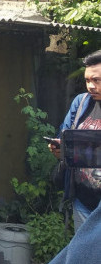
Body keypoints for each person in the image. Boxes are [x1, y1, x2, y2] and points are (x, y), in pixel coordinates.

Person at [49, 50, 101, 231]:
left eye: (97, 80)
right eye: (88, 80)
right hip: (83, 202)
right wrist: (60, 149)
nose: (91, 86)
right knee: (84, 257)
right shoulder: (81, 102)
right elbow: (65, 135)